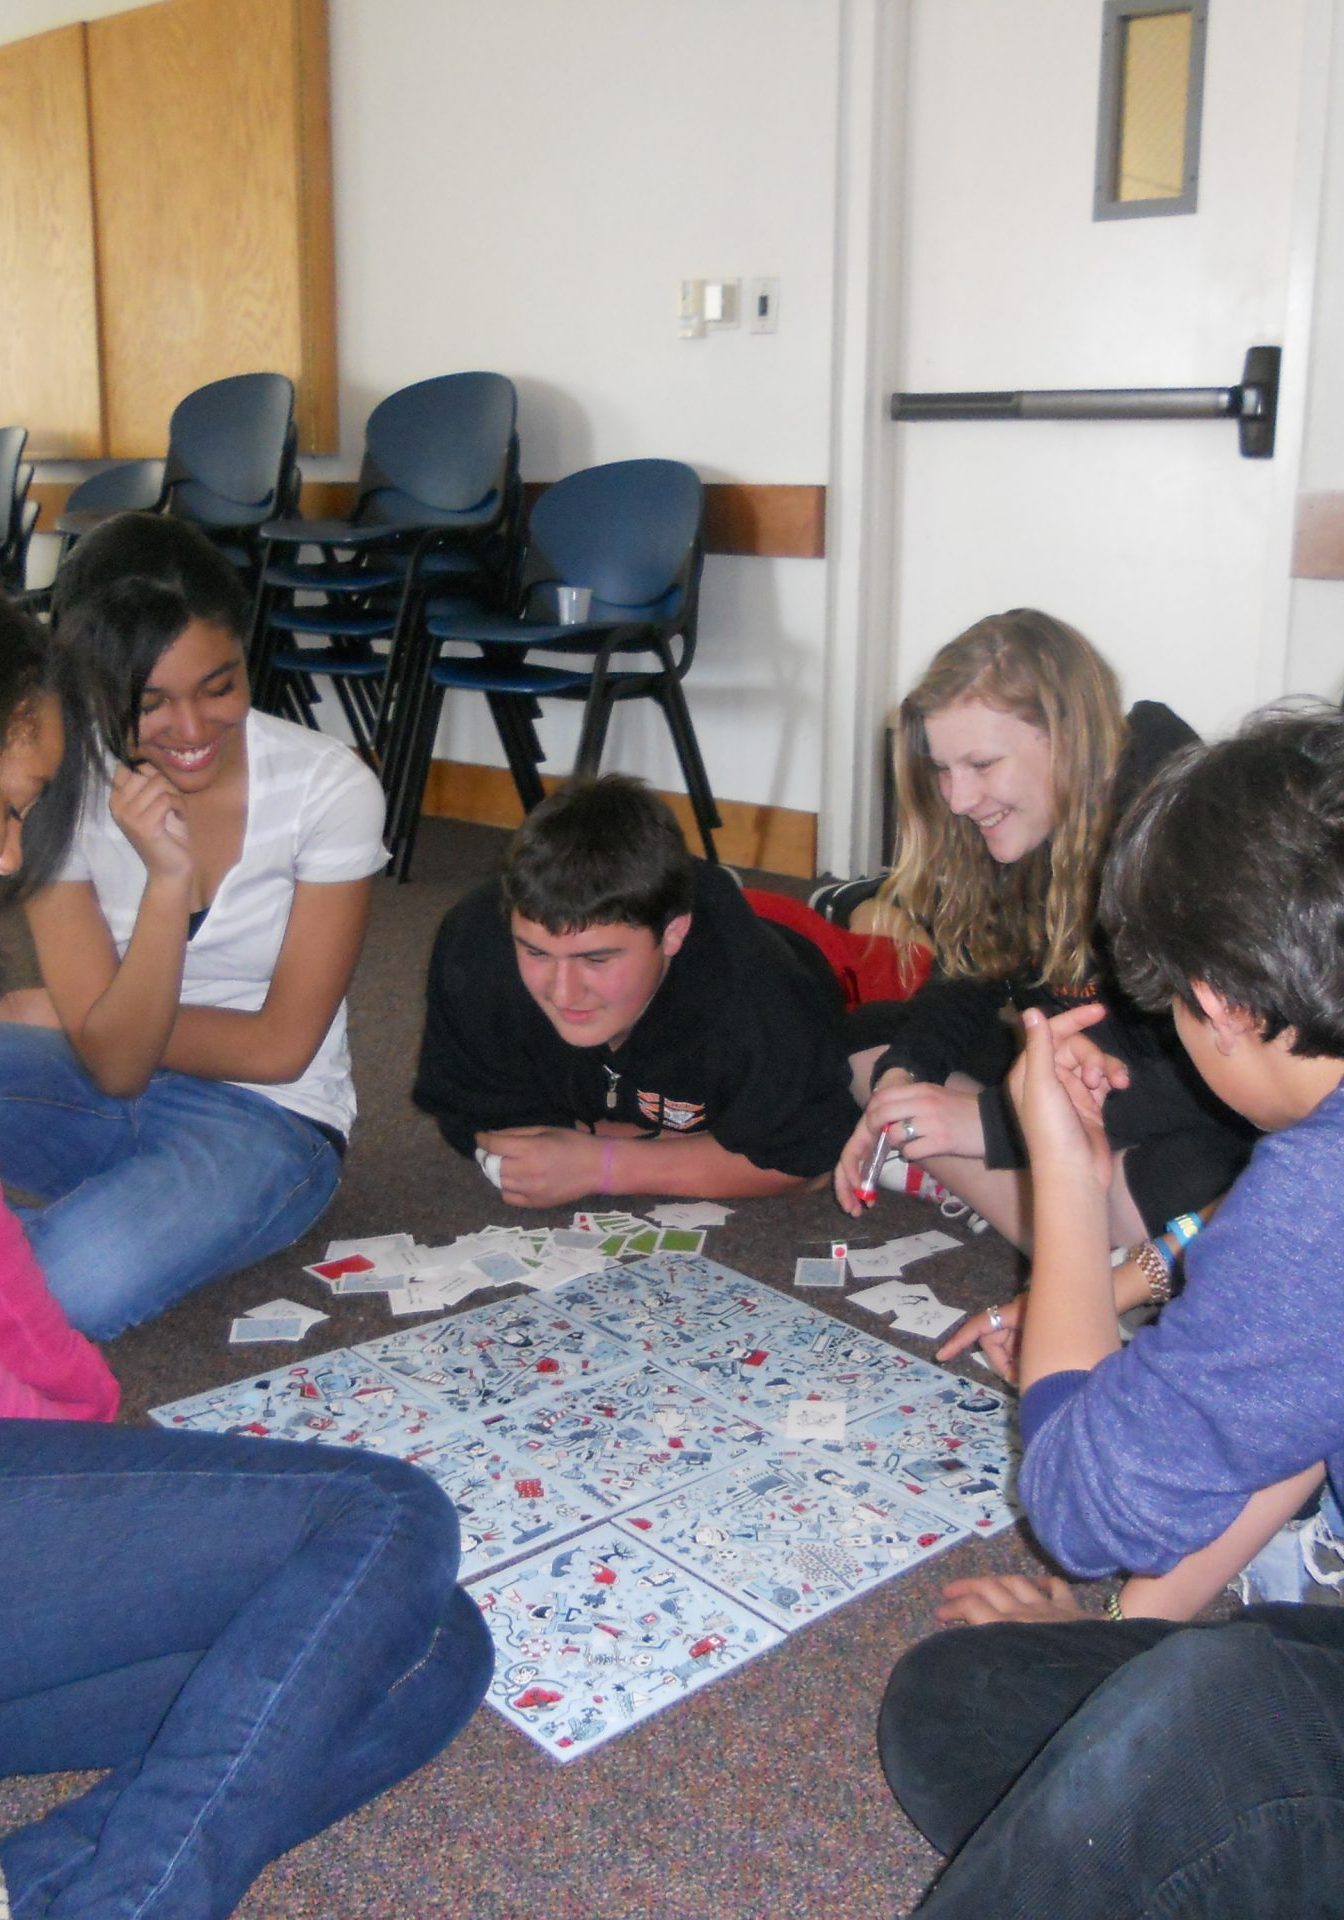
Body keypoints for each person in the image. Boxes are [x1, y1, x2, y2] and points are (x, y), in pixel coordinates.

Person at [0, 598, 492, 1920]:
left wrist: (115, 972)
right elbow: (105, 1054)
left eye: (25, 809)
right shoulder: (74, 795)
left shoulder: (318, 785)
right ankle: (122, 1898)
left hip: (247, 1115)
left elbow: (252, 1049)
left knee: (420, 1639)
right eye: (7, 805)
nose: (13, 850)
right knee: (391, 1526)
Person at [878, 707, 1344, 1919]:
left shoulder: (1318, 1197)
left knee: (1202, 1711)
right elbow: (1285, 1418)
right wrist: (1121, 1634)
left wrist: (1071, 1190)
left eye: (1181, 1022)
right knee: (963, 1701)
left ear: (1223, 1004)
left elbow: (1086, 1506)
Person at [834, 608, 1252, 1375]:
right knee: (870, 1047)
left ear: (1066, 736)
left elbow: (1216, 1078)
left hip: (1185, 1116)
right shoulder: (1019, 824)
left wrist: (990, 1123)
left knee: (1213, 1176)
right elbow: (969, 973)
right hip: (1079, 1090)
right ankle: (1087, 1237)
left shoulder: (1173, 836)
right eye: (942, 769)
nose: (958, 798)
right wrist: (907, 1080)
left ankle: (1080, 1241)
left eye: (982, 766)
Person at [0, 512, 387, 1339]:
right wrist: (91, 1020)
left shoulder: (329, 788)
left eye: (220, 685)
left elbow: (280, 1047)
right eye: (150, 703)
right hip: (94, 1078)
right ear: (92, 686)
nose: (192, 730)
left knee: (71, 1285)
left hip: (270, 1119)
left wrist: (154, 904)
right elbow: (111, 1063)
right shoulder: (50, 787)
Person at [414, 774, 860, 1206]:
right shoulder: (474, 942)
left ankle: (856, 901)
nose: (564, 993)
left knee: (895, 996)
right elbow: (476, 1118)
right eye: (536, 953)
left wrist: (604, 1165)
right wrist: (683, 1144)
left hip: (826, 957)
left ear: (672, 934)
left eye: (596, 960)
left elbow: (810, 1159)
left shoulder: (757, 988)